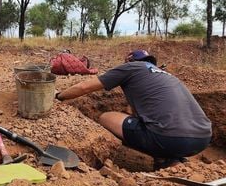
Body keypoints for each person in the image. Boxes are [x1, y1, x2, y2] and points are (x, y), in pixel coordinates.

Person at [55, 49, 212, 170]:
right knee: (154, 126)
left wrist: (59, 96)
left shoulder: (130, 68)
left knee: (105, 117)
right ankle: (173, 160)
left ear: (128, 62)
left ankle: (166, 160)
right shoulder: (164, 75)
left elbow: (84, 87)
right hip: (203, 138)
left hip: (169, 138)